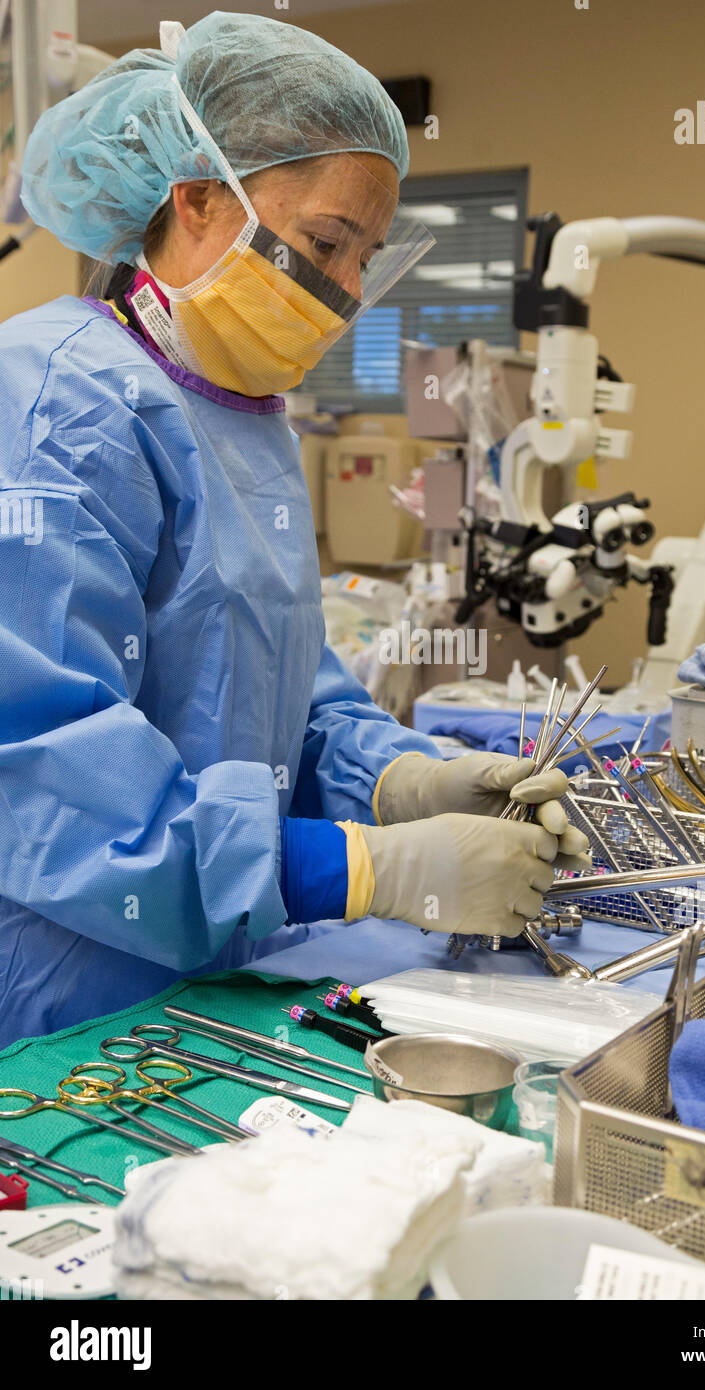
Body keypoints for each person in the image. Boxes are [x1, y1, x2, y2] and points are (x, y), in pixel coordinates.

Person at [0, 12, 588, 1046]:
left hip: (213, 973)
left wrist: (399, 780)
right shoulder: (56, 408)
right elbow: (46, 769)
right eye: (326, 243)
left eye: (367, 257)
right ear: (195, 199)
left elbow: (271, 691)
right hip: (62, 990)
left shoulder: (236, 412)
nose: (349, 291)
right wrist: (368, 868)